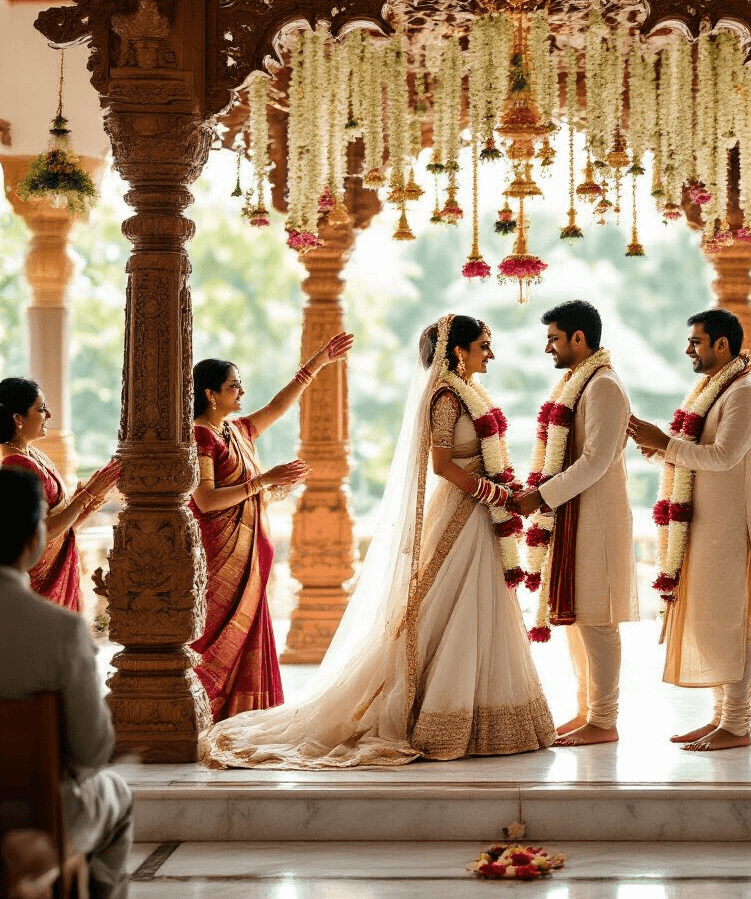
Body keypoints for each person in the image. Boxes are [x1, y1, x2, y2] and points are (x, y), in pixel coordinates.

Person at [202, 314, 555, 766]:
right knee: (453, 605)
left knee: (479, 603)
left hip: (479, 513)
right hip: (464, 509)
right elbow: (442, 465)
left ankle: (486, 716)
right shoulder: (446, 397)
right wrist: (495, 493)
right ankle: (440, 717)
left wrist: (499, 491)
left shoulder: (472, 392)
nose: (490, 353)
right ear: (458, 350)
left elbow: (274, 408)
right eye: (483, 345)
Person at [628, 307, 751, 752]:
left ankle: (738, 723)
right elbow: (700, 453)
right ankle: (720, 718)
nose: (688, 349)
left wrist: (666, 443)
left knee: (734, 624)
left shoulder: (745, 394)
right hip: (706, 528)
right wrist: (661, 450)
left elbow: (725, 456)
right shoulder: (714, 390)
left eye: (696, 341)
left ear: (721, 345)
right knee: (713, 622)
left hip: (733, 530)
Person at [190, 333, 351, 722]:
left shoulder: (237, 430)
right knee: (215, 635)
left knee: (247, 637)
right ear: (211, 394)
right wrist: (263, 481)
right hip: (221, 560)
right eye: (234, 385)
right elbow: (206, 500)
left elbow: (279, 406)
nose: (242, 391)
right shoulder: (200, 435)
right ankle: (204, 710)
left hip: (251, 560)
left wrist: (317, 363)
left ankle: (244, 716)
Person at [0, 466, 133, 899]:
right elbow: (93, 751)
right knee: (117, 795)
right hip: (38, 812)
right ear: (32, 538)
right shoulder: (60, 630)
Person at [515, 300, 638, 747]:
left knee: (598, 620)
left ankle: (604, 720)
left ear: (579, 338)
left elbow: (595, 461)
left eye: (554, 338)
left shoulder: (603, 386)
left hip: (597, 520)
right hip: (575, 516)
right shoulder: (578, 383)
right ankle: (588, 711)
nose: (548, 347)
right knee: (578, 619)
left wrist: (540, 496)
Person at [0, 377, 120, 611]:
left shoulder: (32, 454)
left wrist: (95, 492)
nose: (48, 415)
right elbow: (42, 531)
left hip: (55, 571)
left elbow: (65, 525)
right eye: (40, 409)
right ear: (18, 419)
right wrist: (87, 495)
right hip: (40, 581)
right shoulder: (16, 463)